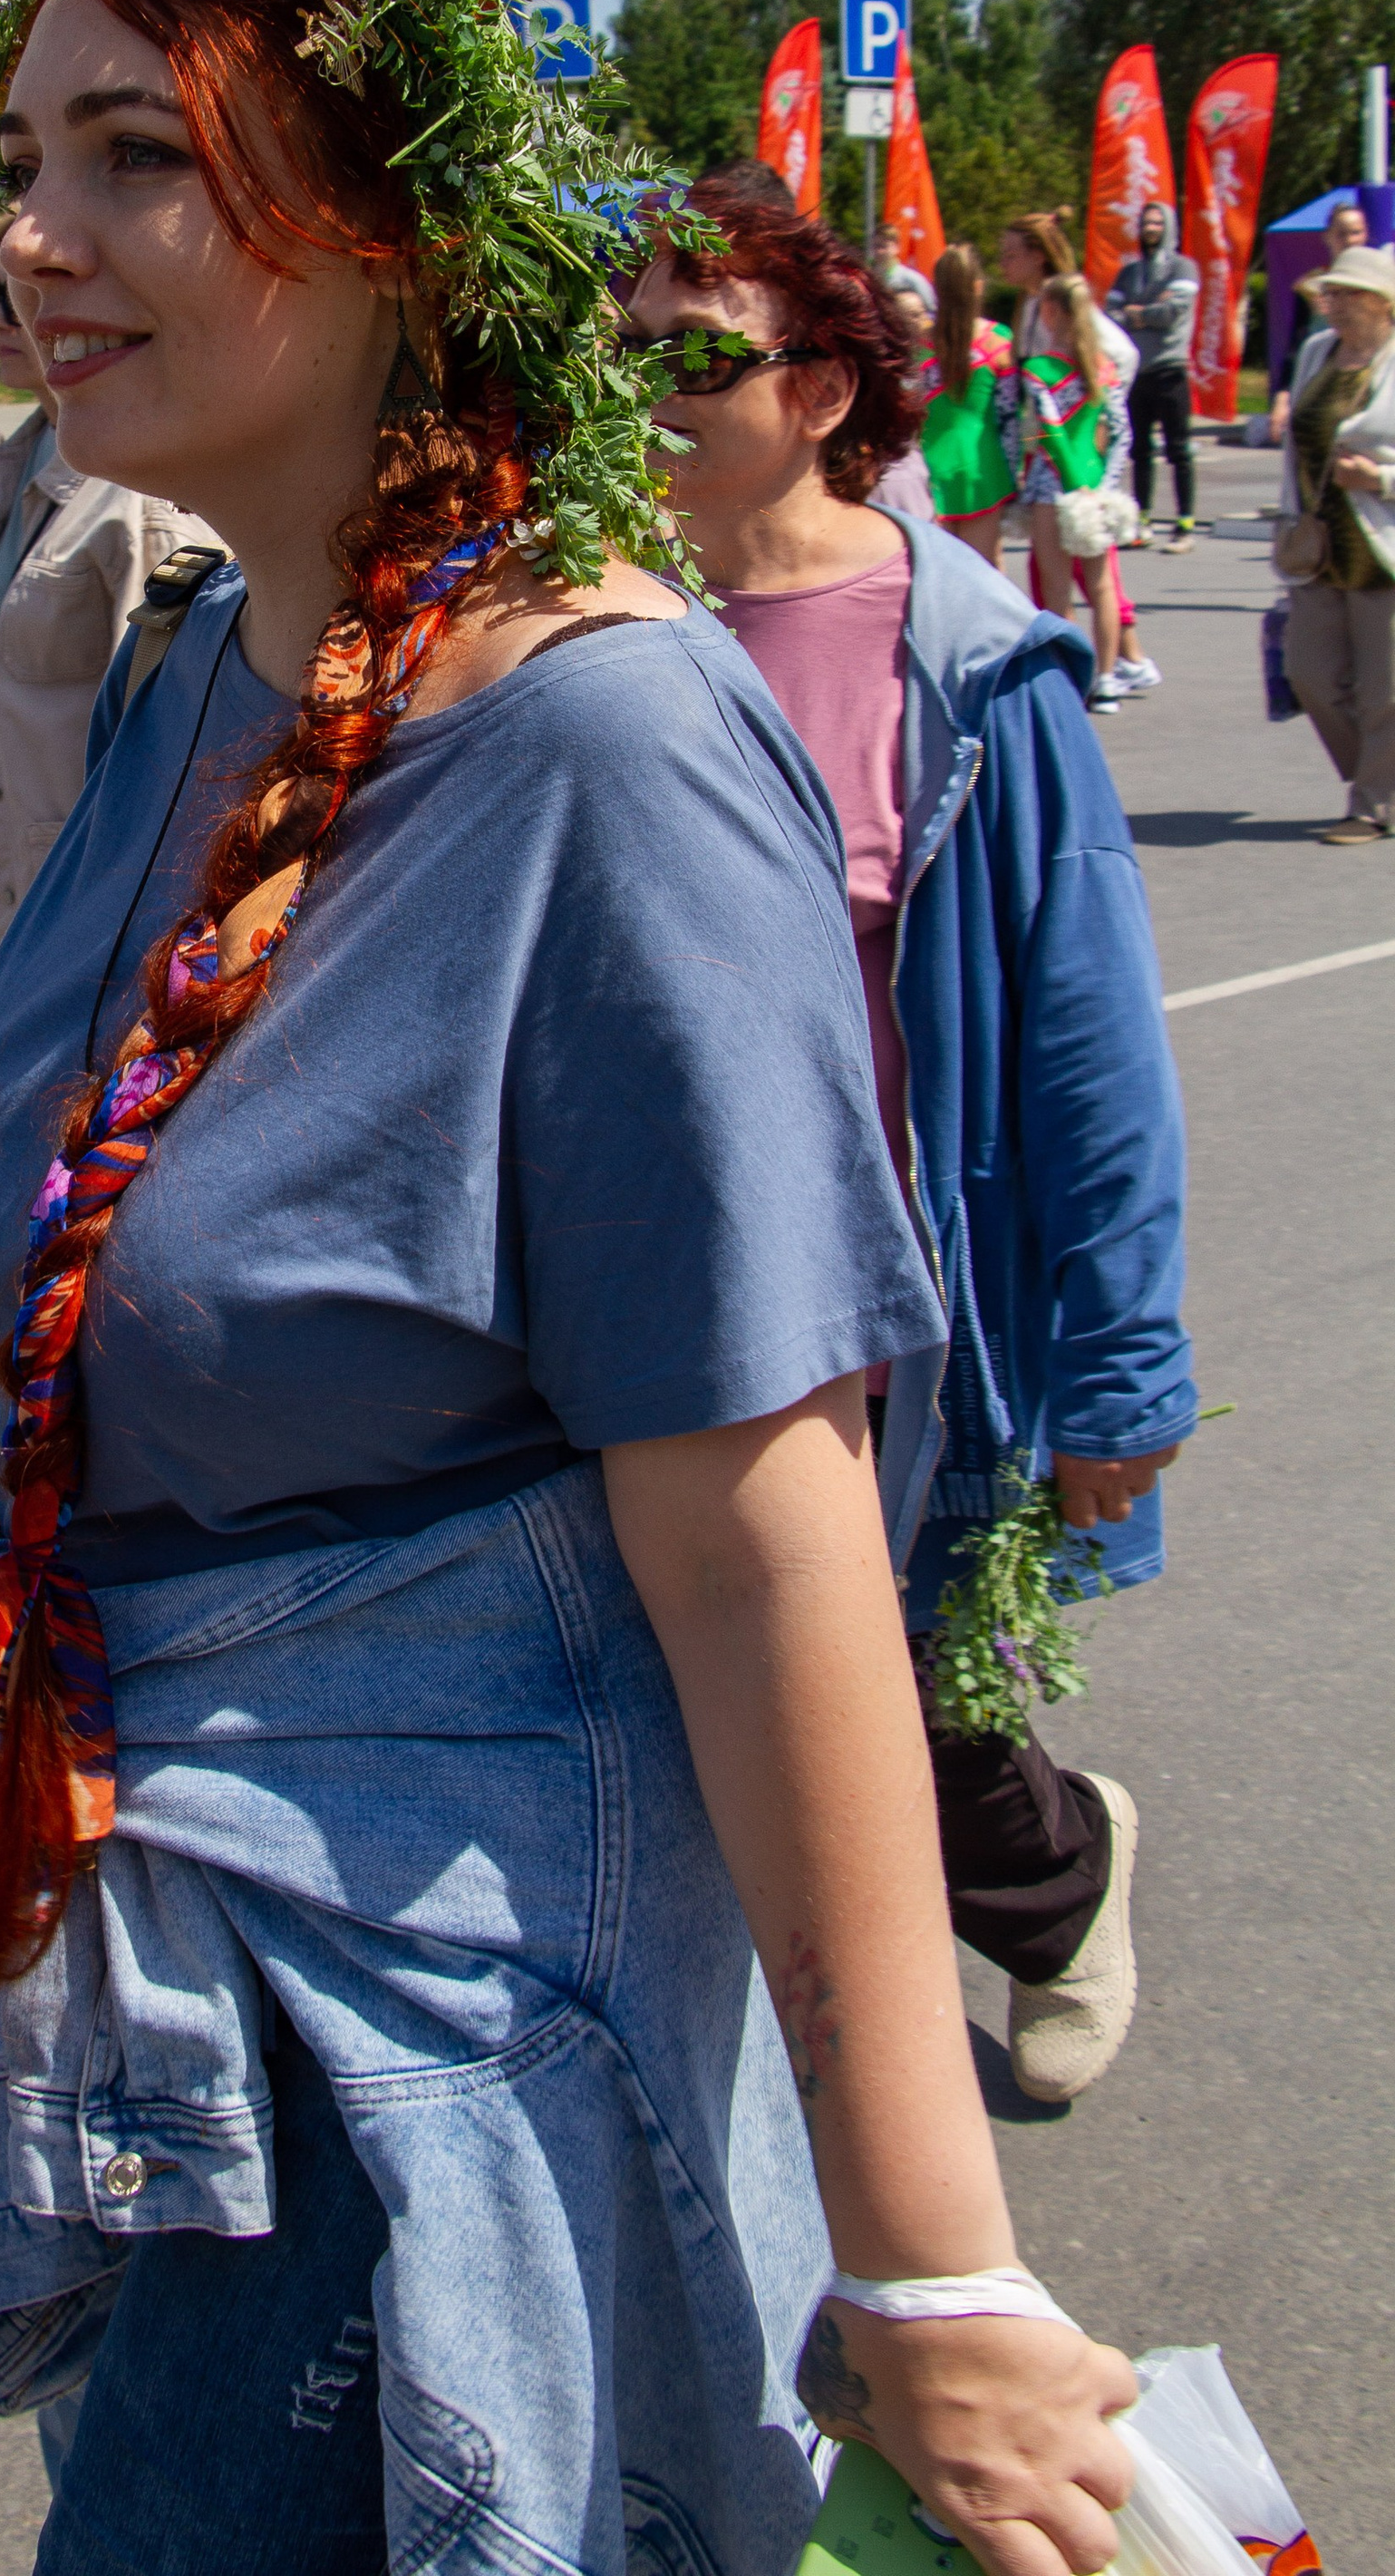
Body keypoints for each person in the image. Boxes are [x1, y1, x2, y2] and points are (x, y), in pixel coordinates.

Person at [0, 0, 1138, 2576]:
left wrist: (925, 2269)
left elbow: (768, 1525)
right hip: (178, 2009)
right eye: (20, 152)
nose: (27, 237)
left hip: (411, 2074)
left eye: (137, 156)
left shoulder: (600, 741)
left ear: (391, 218)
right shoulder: (204, 664)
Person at [626, 177, 1194, 2110]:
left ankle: (1055, 1879)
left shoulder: (963, 661)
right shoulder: (605, 626)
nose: (645, 394)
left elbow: (1085, 1042)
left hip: (897, 1314)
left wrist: (1121, 1359)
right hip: (658, 1293)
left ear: (822, 383)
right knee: (707, 1703)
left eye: (696, 356)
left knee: (899, 1714)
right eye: (615, 355)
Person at [0, 242, 217, 1016]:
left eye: (7, 290)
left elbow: (166, 751)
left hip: (81, 912)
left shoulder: (137, 495)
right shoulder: (20, 454)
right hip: (0, 877)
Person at [998, 219, 1156, 708]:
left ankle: (1083, 672)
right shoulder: (1088, 359)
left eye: (1010, 253)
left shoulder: (1050, 349)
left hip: (1060, 476)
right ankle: (1112, 671)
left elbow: (1050, 424)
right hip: (1092, 476)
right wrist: (1101, 474)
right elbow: (1120, 424)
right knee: (1099, 578)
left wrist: (1070, 471)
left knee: (1064, 580)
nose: (1003, 262)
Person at [1276, 235, 1395, 840]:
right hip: (1317, 546)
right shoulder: (1318, 351)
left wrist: (1381, 478)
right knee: (1310, 676)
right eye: (1332, 292)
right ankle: (1382, 778)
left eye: (1352, 294)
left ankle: (1373, 805)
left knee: (1384, 691)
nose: (1337, 303)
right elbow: (1297, 440)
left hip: (1382, 552)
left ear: (1384, 303)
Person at [916, 241, 1016, 561]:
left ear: (936, 288)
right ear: (978, 287)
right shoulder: (999, 340)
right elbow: (1009, 416)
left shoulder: (918, 344)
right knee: (984, 579)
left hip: (928, 467)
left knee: (936, 579)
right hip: (983, 467)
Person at [1110, 198, 1200, 548]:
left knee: (1179, 449)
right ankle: (1143, 519)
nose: (1151, 230)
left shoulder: (1183, 268)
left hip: (1171, 368)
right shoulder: (1129, 272)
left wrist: (1138, 312)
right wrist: (1149, 310)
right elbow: (1112, 313)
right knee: (1140, 450)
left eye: (1157, 224)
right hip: (1137, 370)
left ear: (1169, 228)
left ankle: (1185, 524)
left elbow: (1173, 313)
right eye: (1146, 223)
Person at [1267, 202, 1361, 447]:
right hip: (1321, 382)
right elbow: (1295, 344)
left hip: (1365, 380)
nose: (1350, 240)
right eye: (1341, 233)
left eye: (1356, 232)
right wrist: (1283, 397)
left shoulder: (1381, 284)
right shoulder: (1312, 286)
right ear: (1328, 237)